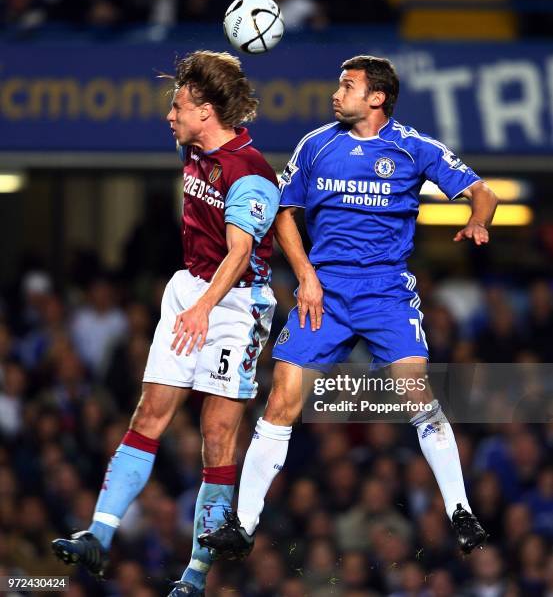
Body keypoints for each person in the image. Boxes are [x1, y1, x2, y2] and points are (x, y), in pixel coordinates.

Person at [200, 55, 496, 560]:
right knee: (281, 400)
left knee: (415, 394)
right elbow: (285, 215)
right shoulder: (316, 146)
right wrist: (306, 277)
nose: (337, 94)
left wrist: (479, 221)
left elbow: (482, 192)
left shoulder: (412, 147)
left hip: (385, 292)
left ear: (376, 97)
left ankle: (460, 512)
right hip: (326, 291)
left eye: (348, 85)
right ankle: (242, 524)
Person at [51, 50, 280, 597]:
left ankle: (195, 575)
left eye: (177, 105)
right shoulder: (195, 147)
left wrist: (204, 309)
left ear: (204, 110)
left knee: (217, 434)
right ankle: (98, 535)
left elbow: (241, 253)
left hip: (235, 304)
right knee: (150, 410)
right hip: (189, 289)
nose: (169, 116)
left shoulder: (251, 175)